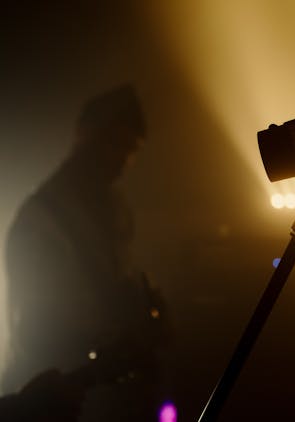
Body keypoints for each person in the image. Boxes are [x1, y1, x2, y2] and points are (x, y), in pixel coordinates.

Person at [2, 84, 169, 421]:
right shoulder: (43, 218)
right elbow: (37, 329)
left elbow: (124, 278)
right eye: (115, 143)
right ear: (84, 134)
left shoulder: (115, 207)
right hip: (60, 393)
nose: (123, 160)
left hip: (108, 391)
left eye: (130, 149)